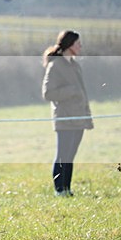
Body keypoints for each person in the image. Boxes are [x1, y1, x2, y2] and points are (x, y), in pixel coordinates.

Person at [42, 30, 93, 196]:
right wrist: (71, 91)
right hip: (64, 118)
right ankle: (59, 190)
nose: (80, 46)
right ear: (69, 45)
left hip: (79, 118)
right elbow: (48, 93)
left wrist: (86, 116)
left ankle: (67, 189)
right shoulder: (55, 65)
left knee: (70, 156)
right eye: (77, 43)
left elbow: (82, 93)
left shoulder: (74, 65)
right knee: (62, 155)